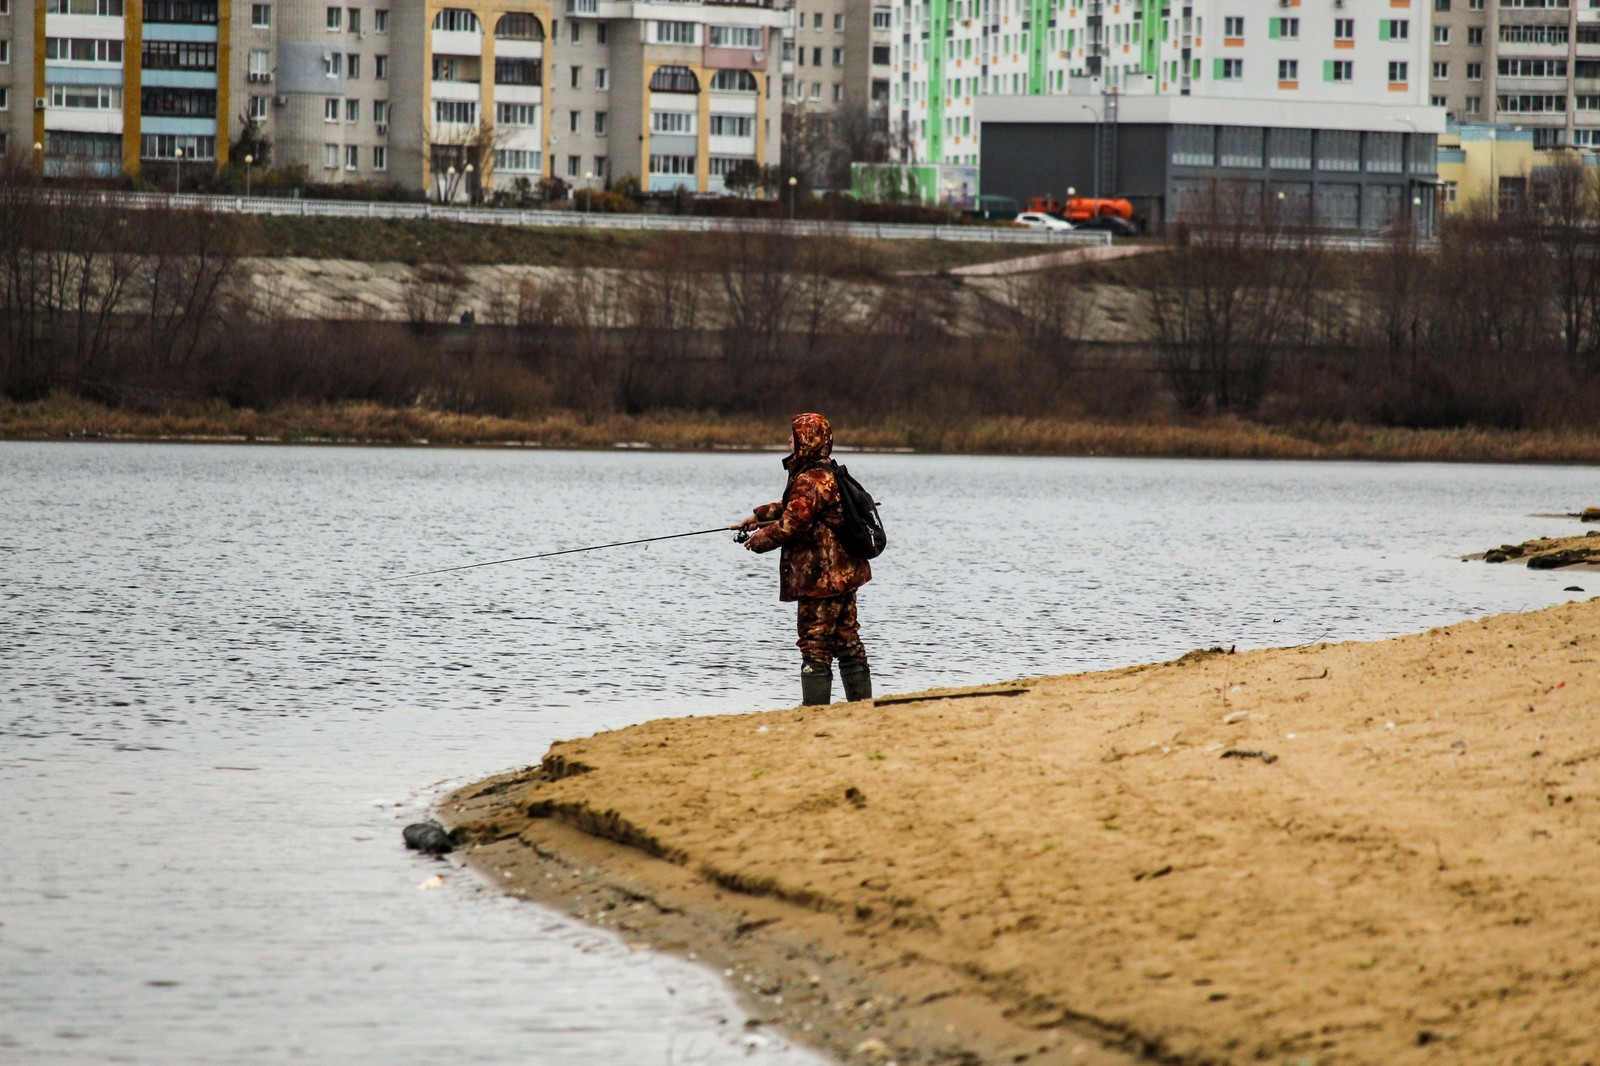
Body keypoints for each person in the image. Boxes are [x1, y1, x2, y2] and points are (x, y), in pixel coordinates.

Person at [738, 413, 872, 706]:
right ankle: (863, 708)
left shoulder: (810, 479)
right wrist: (758, 516)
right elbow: (794, 508)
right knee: (847, 639)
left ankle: (815, 711)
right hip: (845, 574)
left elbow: (792, 524)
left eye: (795, 435)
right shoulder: (825, 472)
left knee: (815, 643)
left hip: (821, 579)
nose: (790, 440)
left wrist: (758, 541)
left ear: (807, 441)